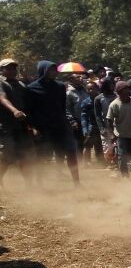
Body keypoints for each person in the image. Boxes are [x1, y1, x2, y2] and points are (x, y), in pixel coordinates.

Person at [24, 61, 80, 185]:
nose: (54, 72)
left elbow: (62, 107)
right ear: (43, 71)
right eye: (51, 70)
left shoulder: (60, 86)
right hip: (43, 127)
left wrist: (67, 122)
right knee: (42, 156)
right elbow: (29, 110)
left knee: (71, 152)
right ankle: (40, 184)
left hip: (60, 125)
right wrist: (33, 127)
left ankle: (77, 183)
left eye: (55, 70)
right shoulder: (31, 88)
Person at [0, 57, 31, 185]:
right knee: (7, 155)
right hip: (5, 125)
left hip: (21, 125)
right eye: (9, 68)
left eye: (14, 68)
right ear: (2, 70)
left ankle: (29, 185)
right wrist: (14, 111)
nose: (12, 70)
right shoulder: (1, 83)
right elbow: (3, 98)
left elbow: (28, 102)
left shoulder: (21, 84)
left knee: (24, 155)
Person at [106, 81, 131, 177]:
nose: (127, 91)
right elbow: (109, 120)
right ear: (119, 92)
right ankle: (125, 175)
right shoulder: (114, 104)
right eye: (124, 90)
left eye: (127, 89)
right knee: (122, 156)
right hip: (121, 135)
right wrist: (112, 134)